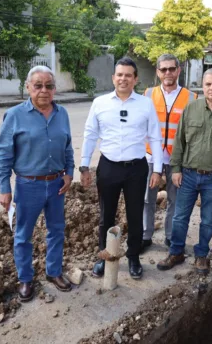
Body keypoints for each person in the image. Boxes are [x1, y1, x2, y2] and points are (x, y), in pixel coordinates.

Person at [0, 66, 75, 302]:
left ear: (54, 89)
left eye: (49, 86)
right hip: (28, 185)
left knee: (57, 230)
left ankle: (54, 272)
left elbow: (68, 146)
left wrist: (69, 173)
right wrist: (4, 188)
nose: (44, 90)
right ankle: (26, 278)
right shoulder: (14, 115)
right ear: (28, 87)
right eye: (38, 85)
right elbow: (3, 154)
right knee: (23, 235)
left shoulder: (62, 114)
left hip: (57, 184)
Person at [80, 57, 163, 280]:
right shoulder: (100, 103)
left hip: (137, 168)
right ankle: (103, 257)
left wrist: (157, 169)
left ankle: (133, 257)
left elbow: (155, 136)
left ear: (135, 79)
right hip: (108, 167)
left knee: (135, 214)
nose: (123, 79)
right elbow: (90, 135)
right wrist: (84, 165)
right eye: (119, 74)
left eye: (128, 75)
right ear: (113, 78)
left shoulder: (145, 104)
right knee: (106, 215)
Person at [157, 68, 212, 275]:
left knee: (208, 219)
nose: (211, 88)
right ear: (203, 86)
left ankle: (201, 255)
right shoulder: (191, 109)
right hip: (187, 174)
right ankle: (176, 252)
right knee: (180, 217)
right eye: (208, 84)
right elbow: (179, 141)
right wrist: (176, 169)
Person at [141, 54, 198, 252]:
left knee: (175, 201)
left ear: (178, 70)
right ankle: (145, 235)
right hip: (150, 157)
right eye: (163, 69)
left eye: (171, 69)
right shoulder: (147, 94)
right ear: (158, 72)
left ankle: (170, 236)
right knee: (147, 199)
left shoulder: (191, 98)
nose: (168, 73)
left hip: (177, 160)